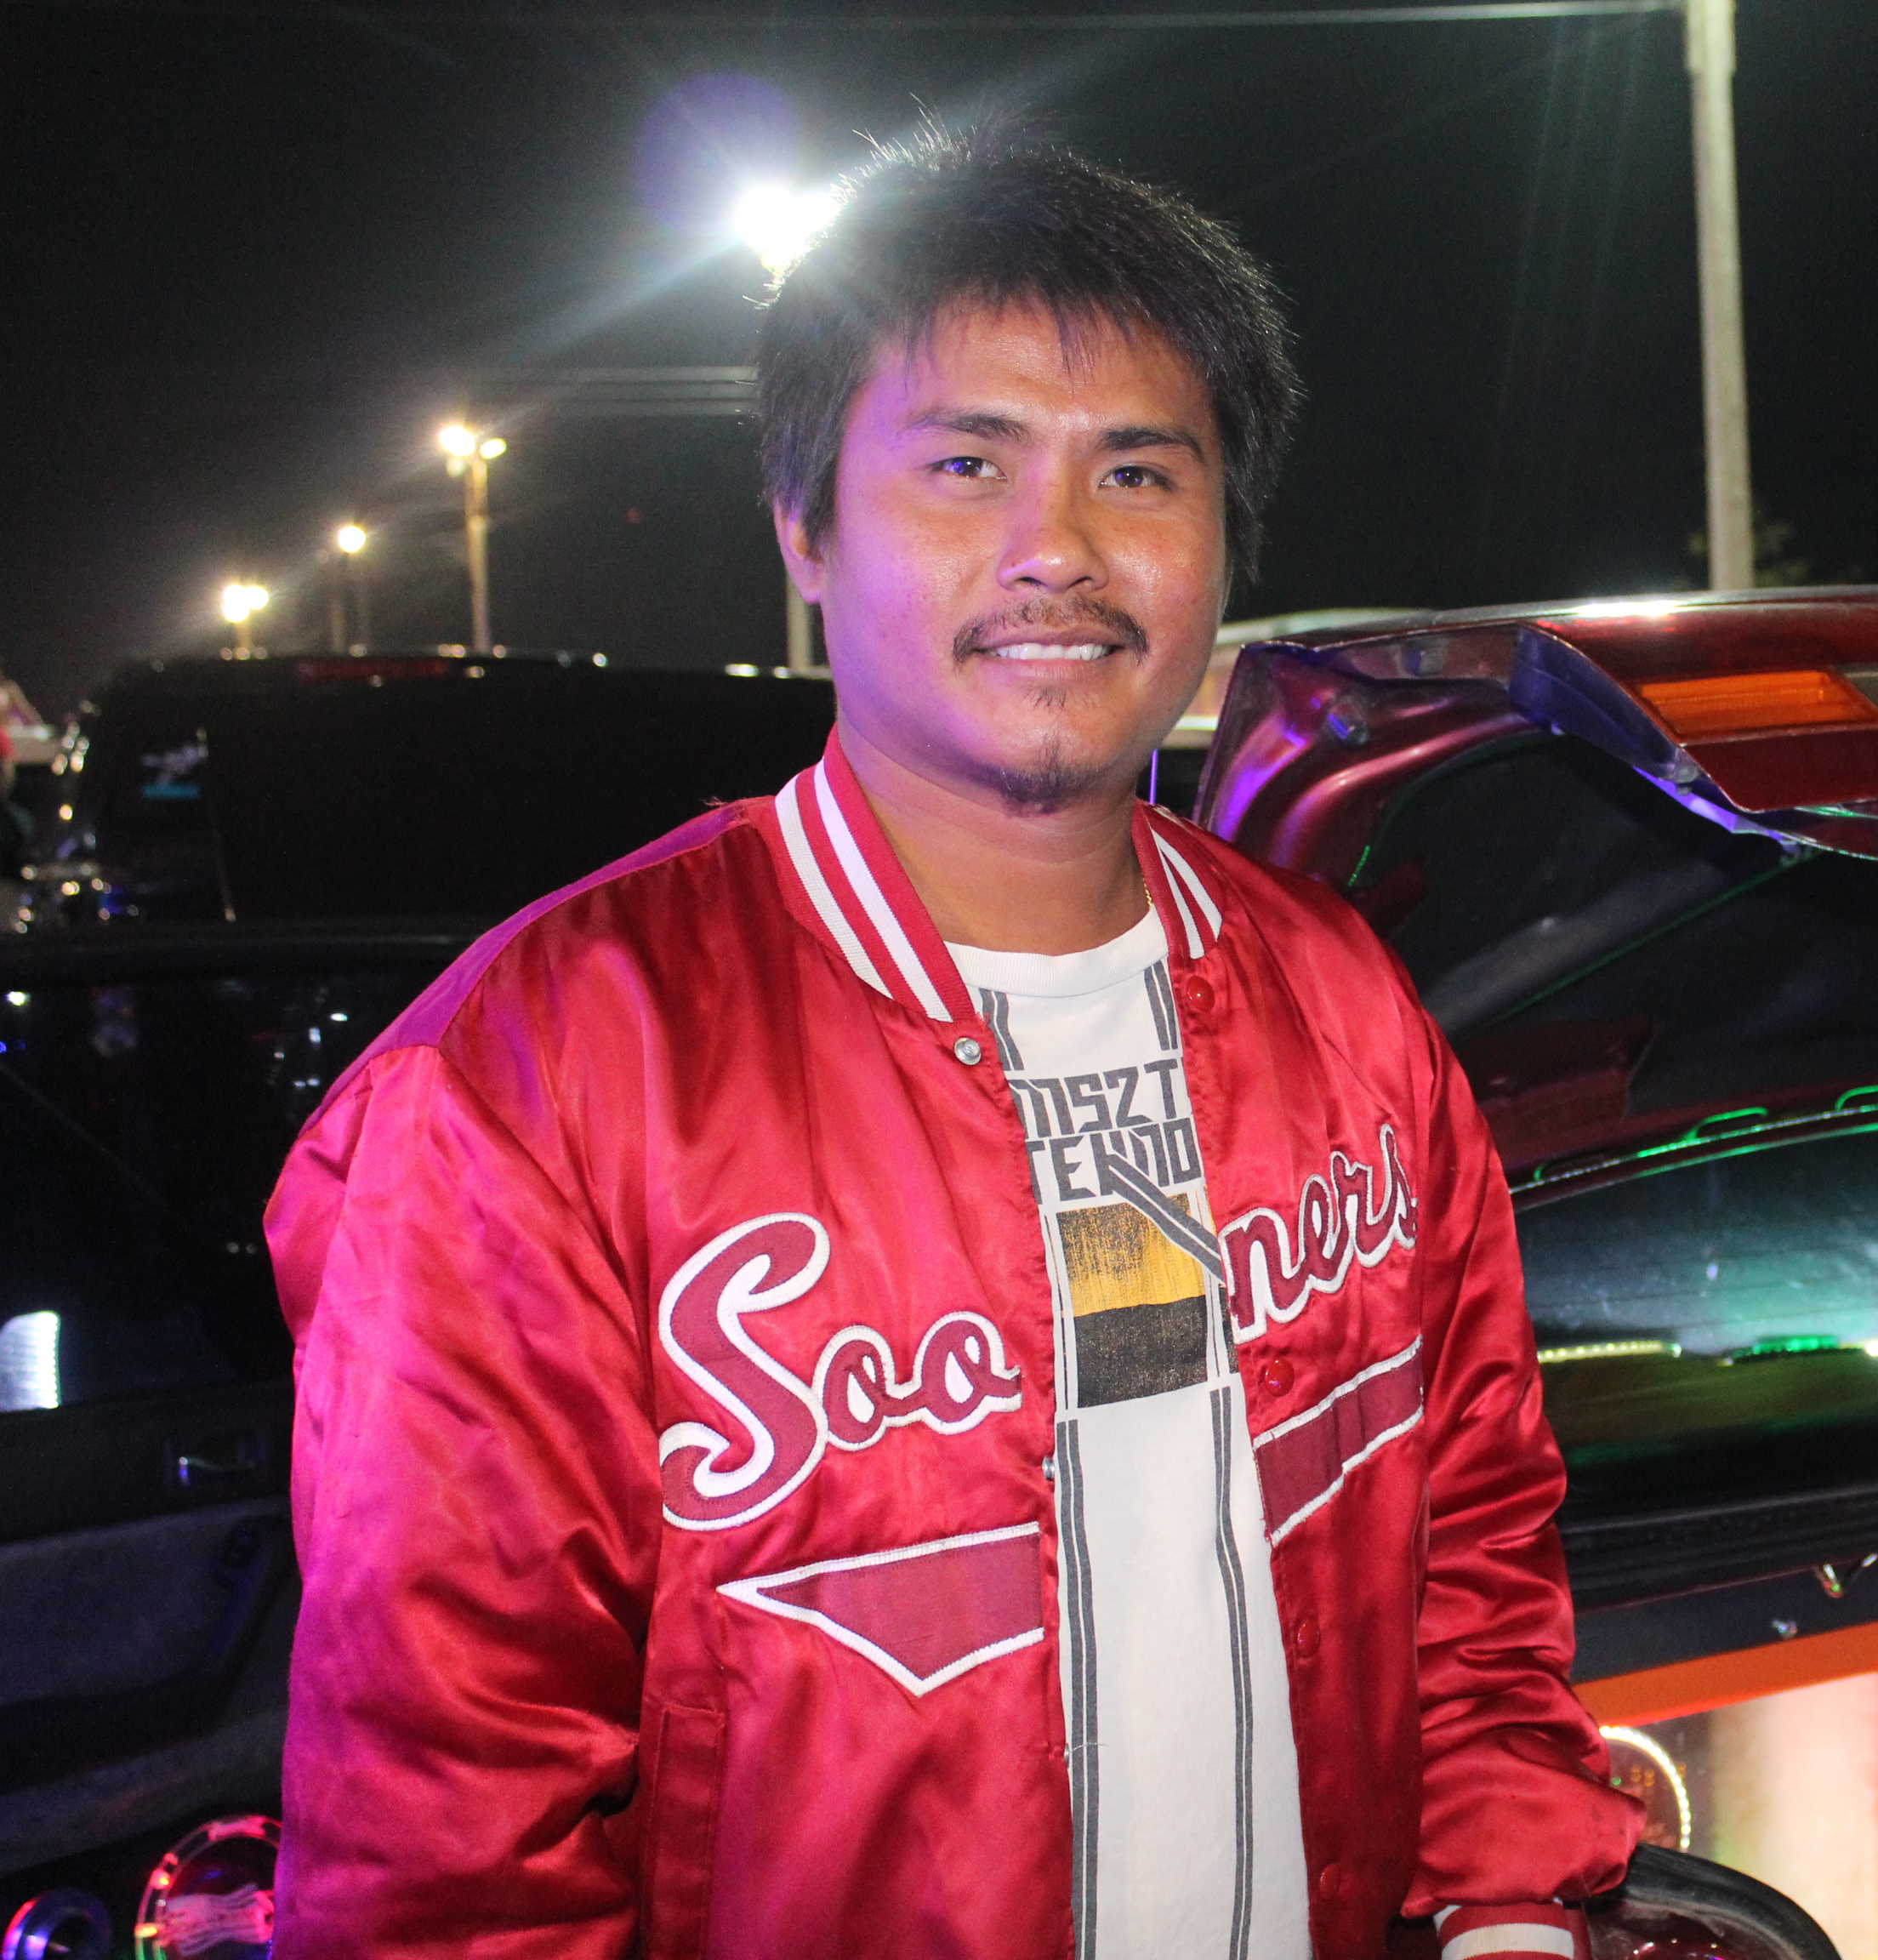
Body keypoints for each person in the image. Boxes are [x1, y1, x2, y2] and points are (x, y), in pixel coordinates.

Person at [267, 122, 1638, 1959]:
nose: (1055, 550)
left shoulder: (1341, 1000)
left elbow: (1469, 1532)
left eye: (1136, 472)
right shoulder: (536, 1082)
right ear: (805, 524)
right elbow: (452, 1829)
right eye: (966, 464)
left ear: (1223, 536)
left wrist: (1509, 1906)